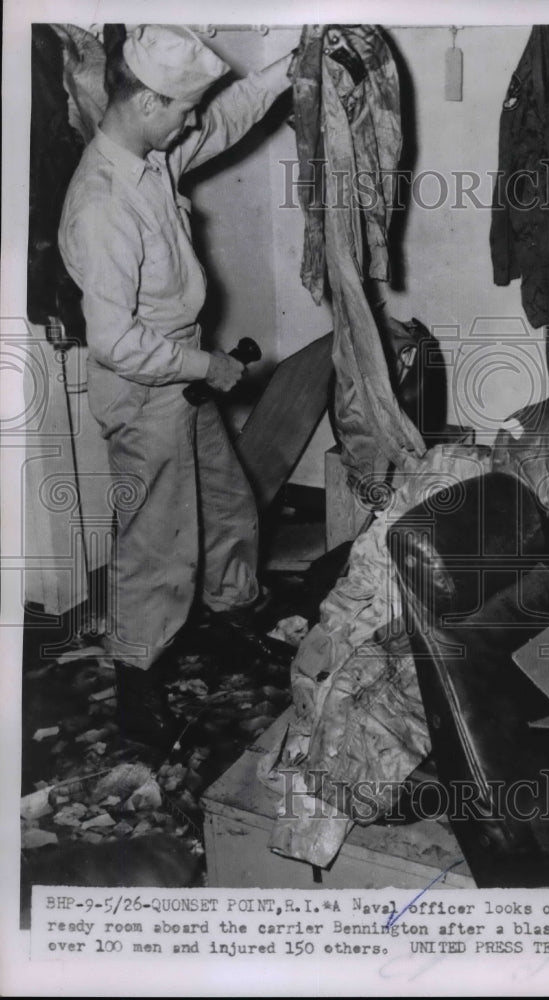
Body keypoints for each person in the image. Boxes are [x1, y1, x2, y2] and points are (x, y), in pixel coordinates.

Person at [58, 25, 295, 747]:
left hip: (183, 371)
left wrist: (294, 63)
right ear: (149, 101)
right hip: (145, 384)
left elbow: (224, 118)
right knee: (156, 543)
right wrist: (209, 368)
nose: (194, 120)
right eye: (182, 109)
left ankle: (232, 622)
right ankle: (137, 681)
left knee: (227, 508)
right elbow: (116, 342)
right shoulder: (103, 203)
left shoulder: (153, 155)